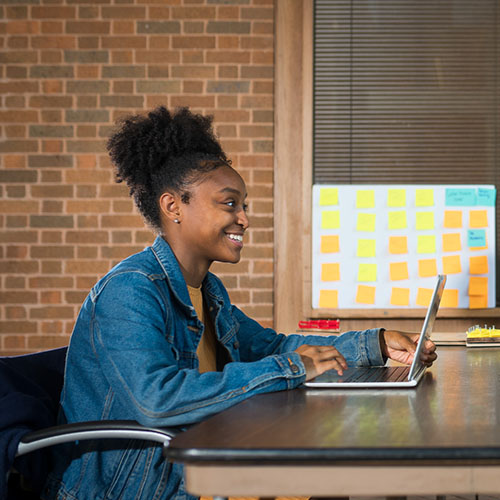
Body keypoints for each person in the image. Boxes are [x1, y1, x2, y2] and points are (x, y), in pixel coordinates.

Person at [43, 106, 437, 500]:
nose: (244, 219)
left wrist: (374, 342)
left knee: (342, 479)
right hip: (136, 490)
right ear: (173, 206)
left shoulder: (208, 291)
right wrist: (291, 368)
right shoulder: (130, 290)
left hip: (198, 472)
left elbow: (271, 347)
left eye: (244, 205)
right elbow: (157, 401)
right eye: (229, 204)